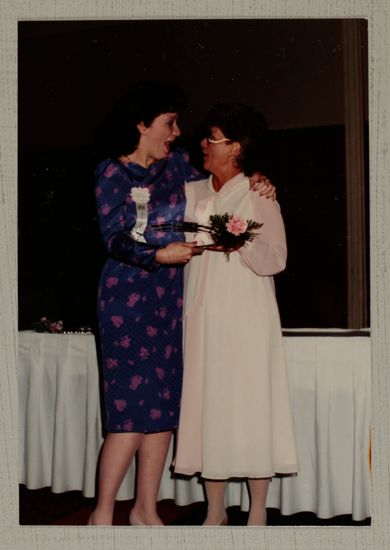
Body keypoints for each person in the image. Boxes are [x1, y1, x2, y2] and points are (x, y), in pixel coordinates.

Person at [90, 82, 276, 526]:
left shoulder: (176, 166)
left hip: (171, 297)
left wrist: (255, 177)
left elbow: (221, 179)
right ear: (141, 124)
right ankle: (100, 516)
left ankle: (145, 510)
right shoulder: (111, 172)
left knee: (162, 411)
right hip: (127, 298)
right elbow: (113, 236)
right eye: (169, 123)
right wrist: (155, 254)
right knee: (129, 415)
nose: (178, 132)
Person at [174, 103, 298, 526]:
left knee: (250, 403)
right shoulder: (193, 192)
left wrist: (240, 241)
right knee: (210, 402)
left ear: (236, 148)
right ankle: (214, 511)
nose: (203, 144)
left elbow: (275, 258)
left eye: (213, 138)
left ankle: (257, 509)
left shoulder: (257, 192)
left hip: (246, 312)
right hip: (205, 312)